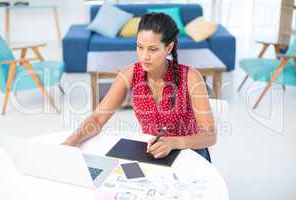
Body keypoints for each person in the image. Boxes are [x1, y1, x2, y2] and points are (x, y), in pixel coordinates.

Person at [62, 13, 216, 162]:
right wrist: (71, 141)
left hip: (191, 154)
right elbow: (97, 119)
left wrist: (173, 142)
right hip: (154, 154)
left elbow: (210, 136)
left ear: (168, 48)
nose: (144, 56)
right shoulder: (129, 74)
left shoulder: (191, 77)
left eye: (152, 49)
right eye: (140, 47)